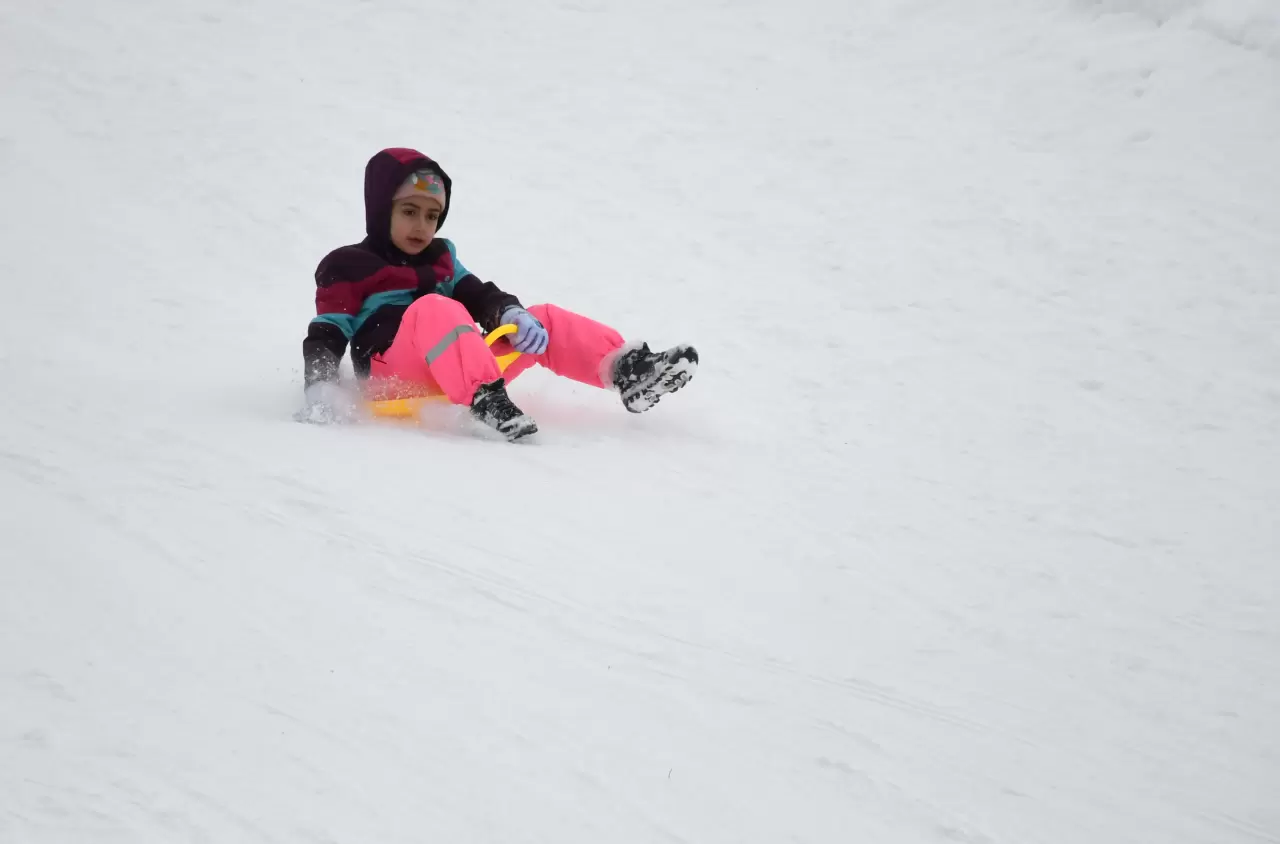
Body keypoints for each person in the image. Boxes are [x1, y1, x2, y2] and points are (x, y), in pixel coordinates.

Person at [298, 147, 698, 441]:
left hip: (460, 363)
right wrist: (321, 385)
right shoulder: (349, 264)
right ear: (380, 208)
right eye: (409, 211)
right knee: (435, 307)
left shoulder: (442, 259)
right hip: (394, 371)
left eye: (432, 215)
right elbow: (328, 330)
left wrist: (510, 314)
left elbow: (479, 294)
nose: (422, 225)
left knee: (542, 318)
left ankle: (628, 370)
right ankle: (484, 399)